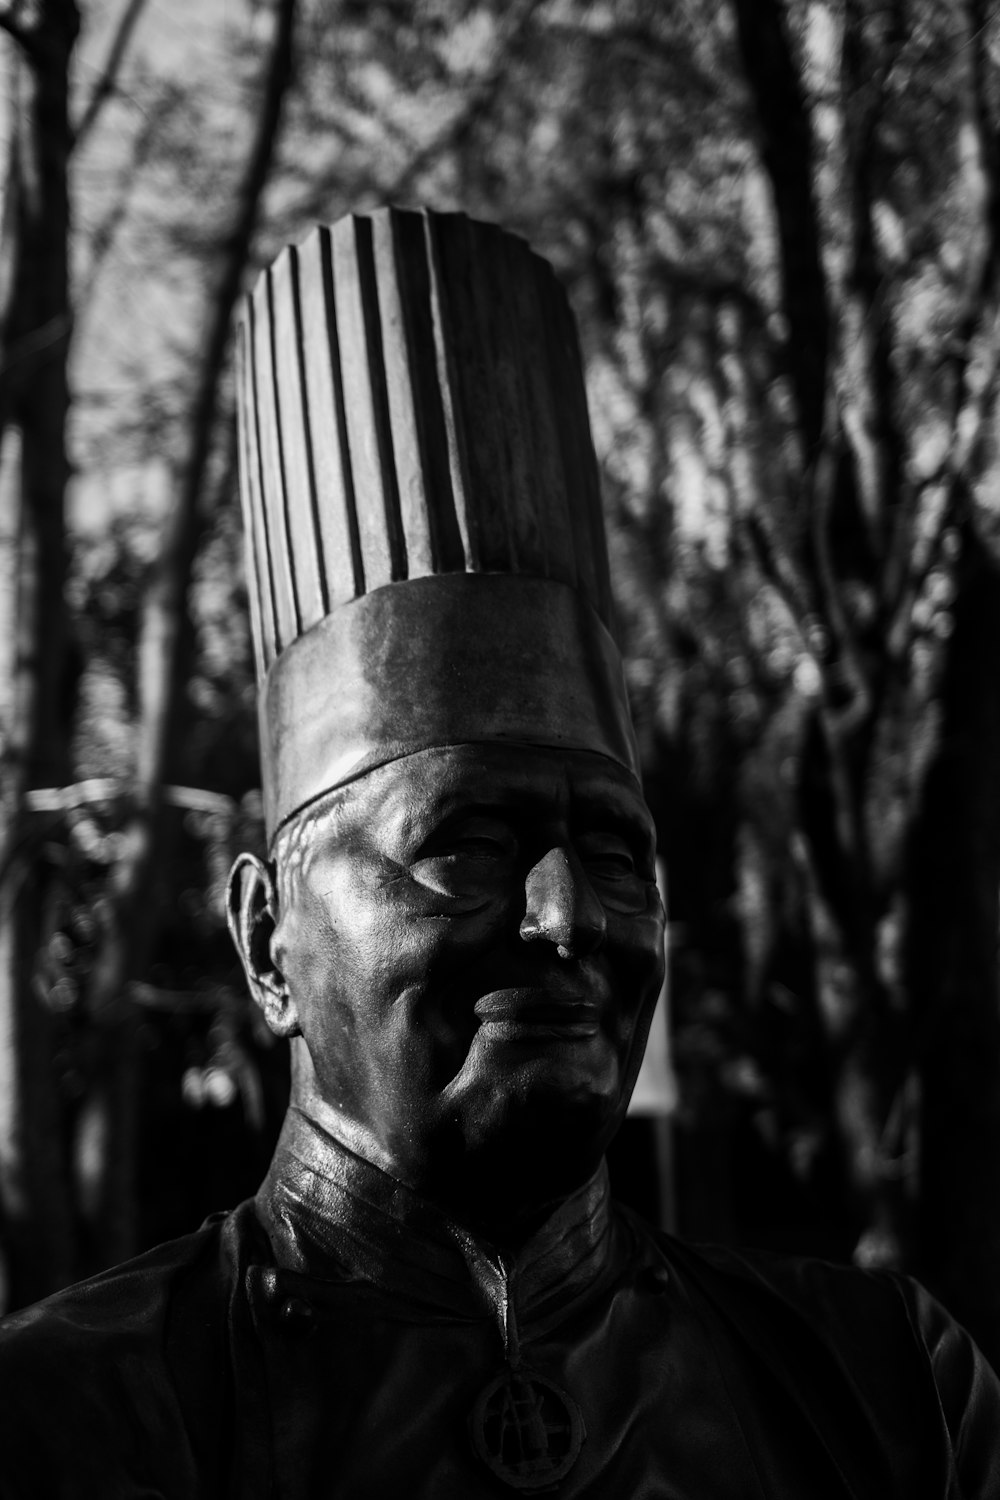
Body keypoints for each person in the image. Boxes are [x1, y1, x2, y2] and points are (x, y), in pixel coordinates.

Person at [1, 207, 999, 1498]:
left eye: (617, 852)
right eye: (466, 843)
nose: (567, 915)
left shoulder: (890, 1394)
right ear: (266, 943)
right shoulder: (68, 1428)